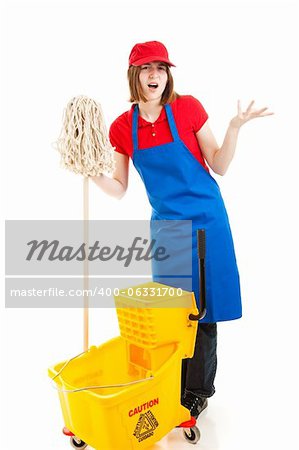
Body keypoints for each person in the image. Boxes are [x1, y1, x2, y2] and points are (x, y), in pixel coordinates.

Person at [91, 40, 273, 419]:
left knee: (202, 310)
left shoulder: (187, 108)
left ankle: (196, 392)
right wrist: (89, 172)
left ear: (167, 74)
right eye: (145, 68)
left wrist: (234, 127)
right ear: (134, 75)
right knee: (170, 313)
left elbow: (218, 165)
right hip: (168, 230)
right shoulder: (123, 127)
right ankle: (169, 385)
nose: (154, 74)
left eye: (160, 67)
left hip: (207, 222)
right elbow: (118, 188)